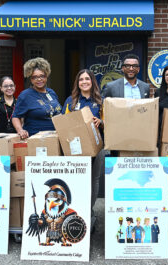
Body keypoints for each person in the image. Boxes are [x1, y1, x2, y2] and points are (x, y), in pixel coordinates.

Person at [62, 69, 104, 229]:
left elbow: (110, 123)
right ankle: (77, 209)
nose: (84, 82)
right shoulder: (70, 101)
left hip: (97, 146)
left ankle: (89, 210)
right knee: (77, 179)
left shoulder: (101, 101)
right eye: (81, 80)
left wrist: (101, 121)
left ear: (92, 81)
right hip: (75, 148)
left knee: (94, 179)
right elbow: (63, 123)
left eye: (87, 79)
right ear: (77, 83)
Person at [12, 57, 62, 139]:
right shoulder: (25, 95)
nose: (39, 79)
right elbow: (16, 117)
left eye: (42, 76)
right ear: (30, 79)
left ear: (46, 76)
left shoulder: (51, 92)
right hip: (36, 139)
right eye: (35, 77)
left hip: (55, 137)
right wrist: (20, 130)